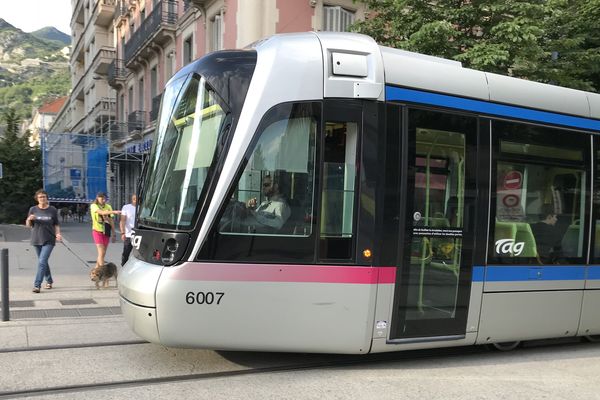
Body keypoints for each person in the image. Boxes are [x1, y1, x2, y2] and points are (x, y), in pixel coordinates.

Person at [25, 189, 61, 293]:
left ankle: (37, 285)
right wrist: (29, 219)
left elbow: (56, 224)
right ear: (37, 199)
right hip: (36, 239)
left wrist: (58, 234)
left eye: (44, 197)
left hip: (49, 239)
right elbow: (28, 226)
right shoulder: (33, 209)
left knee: (41, 261)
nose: (42, 199)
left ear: (47, 198)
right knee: (43, 262)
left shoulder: (52, 209)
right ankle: (49, 280)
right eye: (40, 197)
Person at [90, 192, 121, 267]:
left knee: (103, 253)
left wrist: (113, 233)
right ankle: (102, 272)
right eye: (102, 198)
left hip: (106, 231)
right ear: (97, 198)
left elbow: (111, 221)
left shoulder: (108, 206)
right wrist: (114, 211)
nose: (104, 200)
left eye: (105, 199)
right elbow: (102, 212)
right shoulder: (94, 206)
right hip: (97, 231)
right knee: (101, 252)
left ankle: (96, 270)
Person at [119, 194, 137, 266]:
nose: (136, 200)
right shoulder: (126, 207)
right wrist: (123, 233)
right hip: (129, 235)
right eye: (135, 199)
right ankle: (123, 266)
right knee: (126, 253)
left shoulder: (142, 208)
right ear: (133, 199)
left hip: (139, 235)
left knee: (139, 256)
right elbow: (122, 220)